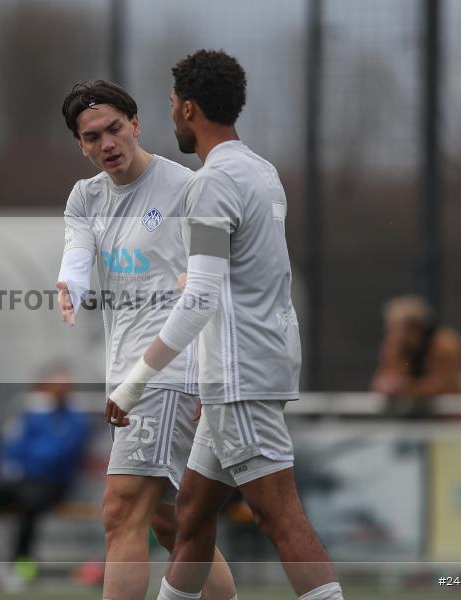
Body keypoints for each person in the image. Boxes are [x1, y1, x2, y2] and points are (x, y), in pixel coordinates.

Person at [105, 50, 345, 600]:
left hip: (241, 376)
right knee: (190, 516)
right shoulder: (260, 171)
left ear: (189, 109)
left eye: (171, 107)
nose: (171, 117)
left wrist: (134, 384)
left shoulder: (211, 184)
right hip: (246, 368)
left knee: (279, 517)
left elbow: (199, 299)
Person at [57, 80, 236, 600]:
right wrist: (70, 281)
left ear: (136, 124)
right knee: (170, 524)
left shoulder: (187, 188)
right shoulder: (85, 196)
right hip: (128, 378)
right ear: (82, 145)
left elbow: (212, 286)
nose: (106, 143)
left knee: (119, 512)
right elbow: (77, 250)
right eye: (93, 137)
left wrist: (207, 376)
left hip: (167, 373)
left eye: (115, 128)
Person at [0, 365, 90, 589]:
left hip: (52, 483)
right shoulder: (33, 414)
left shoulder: (75, 418)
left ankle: (20, 563)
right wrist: (28, 460)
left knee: (29, 504)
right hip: (22, 480)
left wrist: (33, 456)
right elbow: (15, 448)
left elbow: (61, 453)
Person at [370, 295, 461, 417]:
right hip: (412, 418)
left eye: (394, 328)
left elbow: (444, 385)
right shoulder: (394, 348)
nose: (390, 334)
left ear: (414, 329)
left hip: (449, 420)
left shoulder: (445, 346)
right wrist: (385, 385)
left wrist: (405, 387)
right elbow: (385, 377)